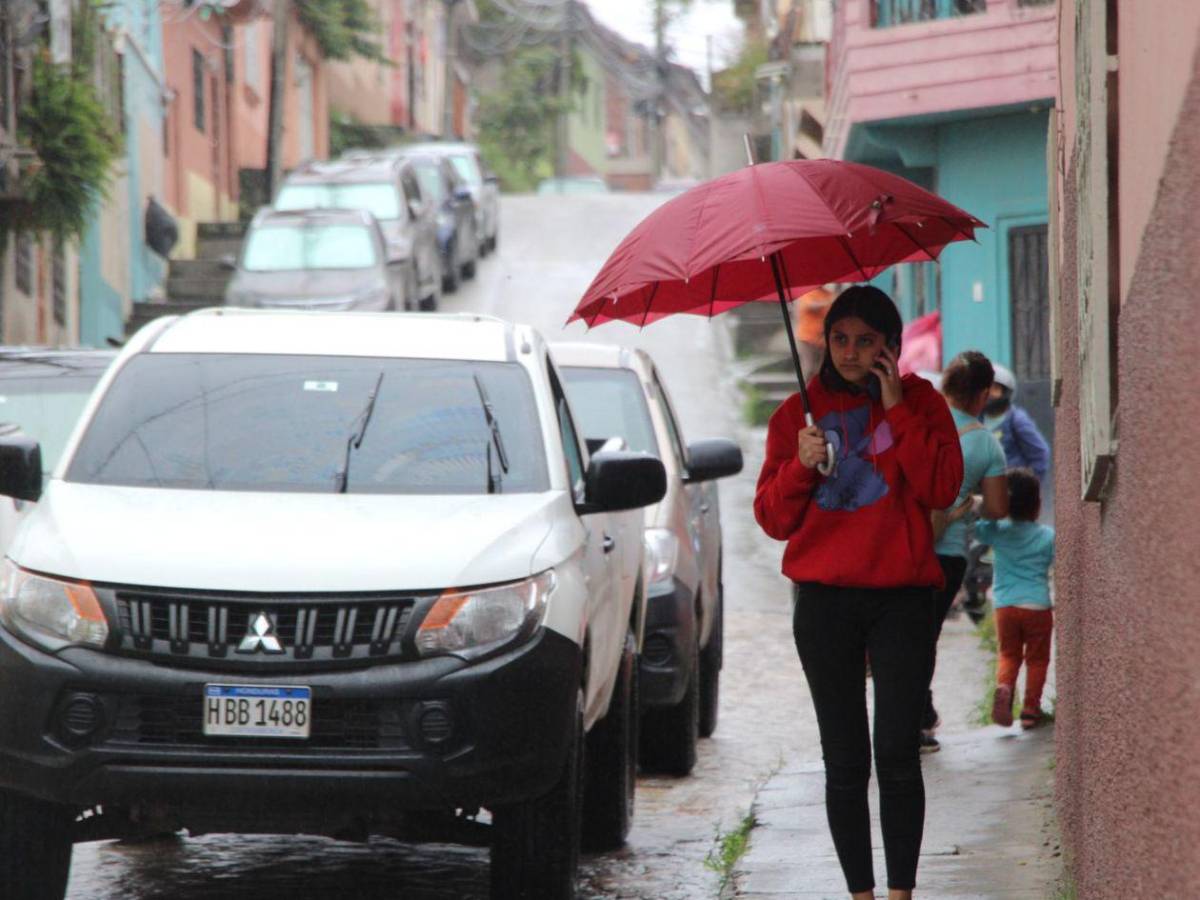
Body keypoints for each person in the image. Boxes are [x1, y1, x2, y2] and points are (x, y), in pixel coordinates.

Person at [754, 285, 963, 900]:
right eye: (839, 338)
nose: (849, 352)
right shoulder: (797, 413)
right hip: (824, 604)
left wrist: (896, 409)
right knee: (845, 760)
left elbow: (943, 488)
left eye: (865, 340)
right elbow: (772, 520)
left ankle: (901, 893)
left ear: (889, 346)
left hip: (902, 598)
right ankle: (860, 894)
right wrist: (798, 465)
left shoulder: (923, 401)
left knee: (897, 750)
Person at [922, 351, 1009, 753]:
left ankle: (910, 715)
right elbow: (996, 508)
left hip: (902, 545)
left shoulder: (919, 424)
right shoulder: (986, 445)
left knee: (899, 635)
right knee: (925, 637)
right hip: (947, 554)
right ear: (982, 395)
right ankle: (918, 720)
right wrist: (966, 503)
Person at [975, 469, 1055, 729]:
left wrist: (992, 508)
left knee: (1008, 655)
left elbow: (980, 528)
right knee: (1037, 659)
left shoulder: (999, 532)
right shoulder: (1047, 536)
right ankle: (1031, 710)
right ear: (1037, 505)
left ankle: (1004, 686)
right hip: (1037, 606)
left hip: (1005, 607)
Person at [983, 364, 1050, 482]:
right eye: (985, 388)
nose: (989, 394)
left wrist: (1028, 488)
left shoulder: (1016, 420)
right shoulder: (975, 419)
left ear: (1005, 392)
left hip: (1010, 491)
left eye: (995, 389)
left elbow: (1040, 454)